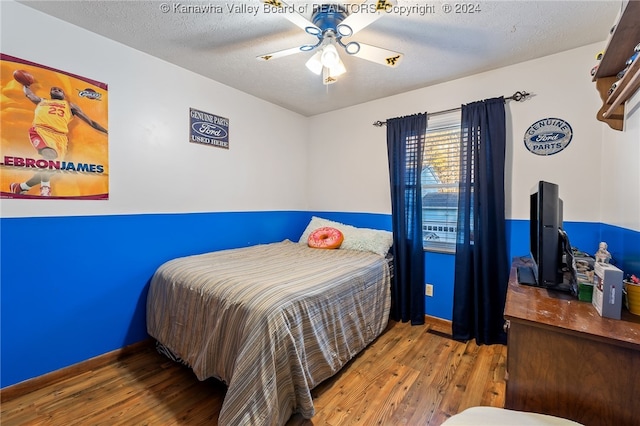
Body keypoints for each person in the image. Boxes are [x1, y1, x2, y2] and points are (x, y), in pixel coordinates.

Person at [9, 84, 108, 197]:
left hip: (60, 137)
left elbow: (91, 122)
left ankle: (21, 187)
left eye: (59, 89)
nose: (56, 90)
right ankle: (45, 188)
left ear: (63, 94)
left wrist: (107, 131)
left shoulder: (70, 106)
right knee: (49, 155)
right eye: (53, 89)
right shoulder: (42, 101)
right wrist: (25, 84)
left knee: (50, 170)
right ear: (50, 93)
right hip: (41, 130)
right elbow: (29, 94)